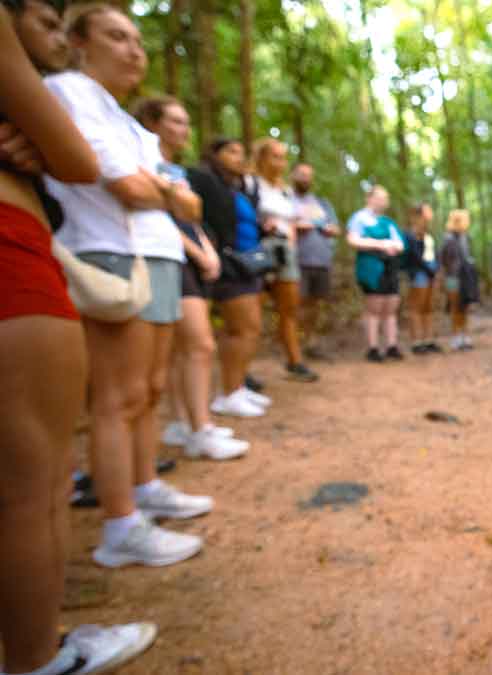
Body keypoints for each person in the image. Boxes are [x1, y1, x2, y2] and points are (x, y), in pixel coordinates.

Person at [0, 4, 158, 672]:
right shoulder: (60, 87)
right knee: (33, 485)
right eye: (39, 16)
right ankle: (37, 657)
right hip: (20, 245)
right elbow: (78, 159)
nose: (53, 34)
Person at [44, 1, 211, 566]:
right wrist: (161, 191)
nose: (134, 50)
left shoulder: (131, 124)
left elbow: (189, 203)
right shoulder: (68, 92)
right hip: (109, 253)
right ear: (79, 43)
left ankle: (144, 489)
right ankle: (120, 526)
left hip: (159, 254)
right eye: (117, 37)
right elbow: (128, 188)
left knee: (151, 390)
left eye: (137, 39)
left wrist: (159, 190)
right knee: (117, 399)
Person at [134, 97, 248, 460]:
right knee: (196, 344)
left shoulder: (178, 172)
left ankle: (189, 423)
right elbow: (161, 215)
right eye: (176, 122)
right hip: (162, 253)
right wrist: (197, 251)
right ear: (154, 122)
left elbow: (190, 214)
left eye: (186, 121)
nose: (184, 129)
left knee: (189, 346)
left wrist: (206, 249)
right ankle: (197, 427)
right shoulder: (139, 157)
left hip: (186, 255)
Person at [188, 137, 270, 418]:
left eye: (241, 151)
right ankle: (229, 393)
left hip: (248, 263)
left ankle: (236, 387)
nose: (239, 156)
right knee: (243, 328)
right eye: (232, 151)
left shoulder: (238, 186)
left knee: (248, 328)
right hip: (227, 263)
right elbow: (195, 218)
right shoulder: (202, 179)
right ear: (214, 153)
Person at [247, 138, 318, 382]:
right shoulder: (251, 184)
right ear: (262, 158)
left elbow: (292, 222)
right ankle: (242, 369)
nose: (280, 162)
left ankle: (294, 361)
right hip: (259, 251)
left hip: (286, 254)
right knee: (250, 309)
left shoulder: (285, 190)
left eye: (283, 157)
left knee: (289, 309)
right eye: (275, 156)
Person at [347, 186, 405, 362]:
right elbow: (353, 239)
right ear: (369, 198)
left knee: (391, 305)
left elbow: (400, 244)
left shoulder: (388, 222)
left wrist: (392, 246)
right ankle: (373, 347)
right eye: (380, 197)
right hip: (371, 268)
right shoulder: (359, 218)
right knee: (374, 306)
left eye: (385, 198)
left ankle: (391, 345)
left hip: (390, 268)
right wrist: (380, 244)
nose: (383, 201)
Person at [291, 162, 339, 361]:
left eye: (309, 175)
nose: (305, 178)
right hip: (297, 260)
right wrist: (299, 226)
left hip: (321, 261)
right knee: (295, 304)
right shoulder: (286, 200)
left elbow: (336, 229)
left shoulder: (322, 203)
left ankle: (311, 342)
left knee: (314, 304)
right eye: (302, 174)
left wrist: (328, 229)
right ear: (293, 175)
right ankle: (294, 346)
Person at [439, 209, 478, 351]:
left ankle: (465, 335)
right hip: (453, 277)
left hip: (466, 277)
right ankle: (456, 336)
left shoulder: (466, 238)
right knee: (455, 306)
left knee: (465, 305)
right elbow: (442, 259)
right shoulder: (448, 239)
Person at [405, 202, 440, 354]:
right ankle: (416, 342)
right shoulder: (412, 233)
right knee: (416, 308)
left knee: (428, 307)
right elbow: (414, 255)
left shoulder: (428, 232)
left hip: (431, 272)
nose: (430, 213)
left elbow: (433, 253)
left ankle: (428, 340)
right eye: (427, 210)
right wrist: (428, 270)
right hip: (419, 273)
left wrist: (435, 269)